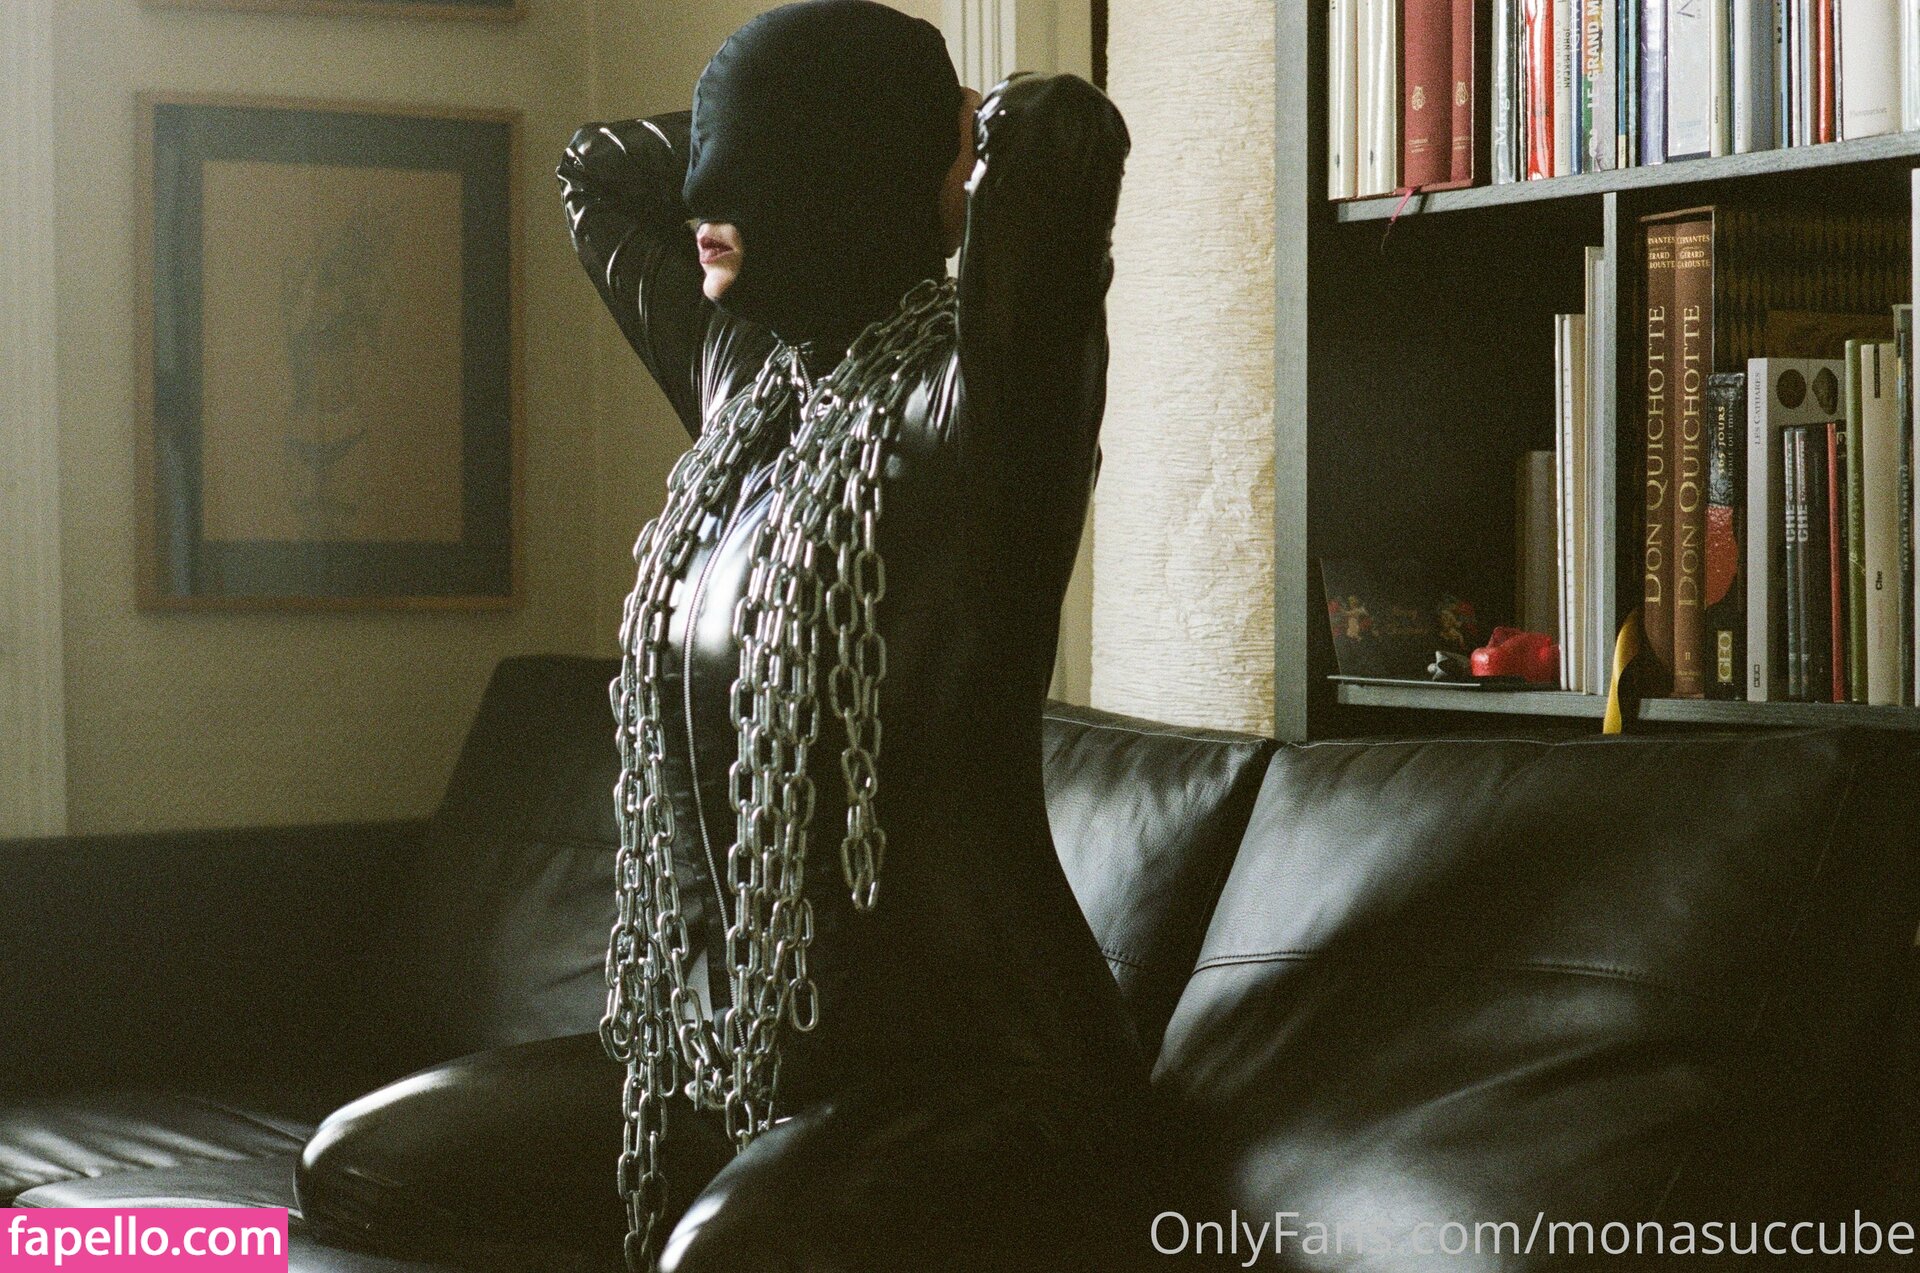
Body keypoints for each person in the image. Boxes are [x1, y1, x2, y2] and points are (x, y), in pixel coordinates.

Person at [298, 4, 1143, 1271]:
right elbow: (596, 168)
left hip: (982, 1075)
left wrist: (944, 127)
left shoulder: (984, 408)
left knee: (725, 1257)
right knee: (353, 1166)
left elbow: (1064, 148)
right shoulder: (747, 377)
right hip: (723, 1061)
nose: (704, 202)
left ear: (849, 176)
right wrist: (780, 138)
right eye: (712, 165)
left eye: (755, 165)